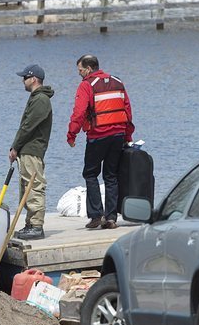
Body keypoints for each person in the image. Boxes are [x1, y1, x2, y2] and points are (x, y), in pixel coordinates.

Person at [67, 54, 134, 229]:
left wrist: (71, 135)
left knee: (90, 174)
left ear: (88, 69)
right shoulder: (117, 82)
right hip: (118, 135)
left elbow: (79, 113)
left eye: (80, 70)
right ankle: (111, 218)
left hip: (98, 135)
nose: (79, 74)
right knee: (111, 176)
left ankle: (96, 215)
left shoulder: (86, 85)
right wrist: (128, 136)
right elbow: (127, 110)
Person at [9, 64, 54, 240]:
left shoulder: (41, 99)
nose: (23, 81)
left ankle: (36, 226)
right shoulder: (36, 98)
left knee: (34, 187)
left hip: (32, 149)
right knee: (26, 187)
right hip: (27, 150)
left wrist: (15, 147)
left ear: (33, 79)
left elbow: (28, 126)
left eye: (25, 78)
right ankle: (30, 224)